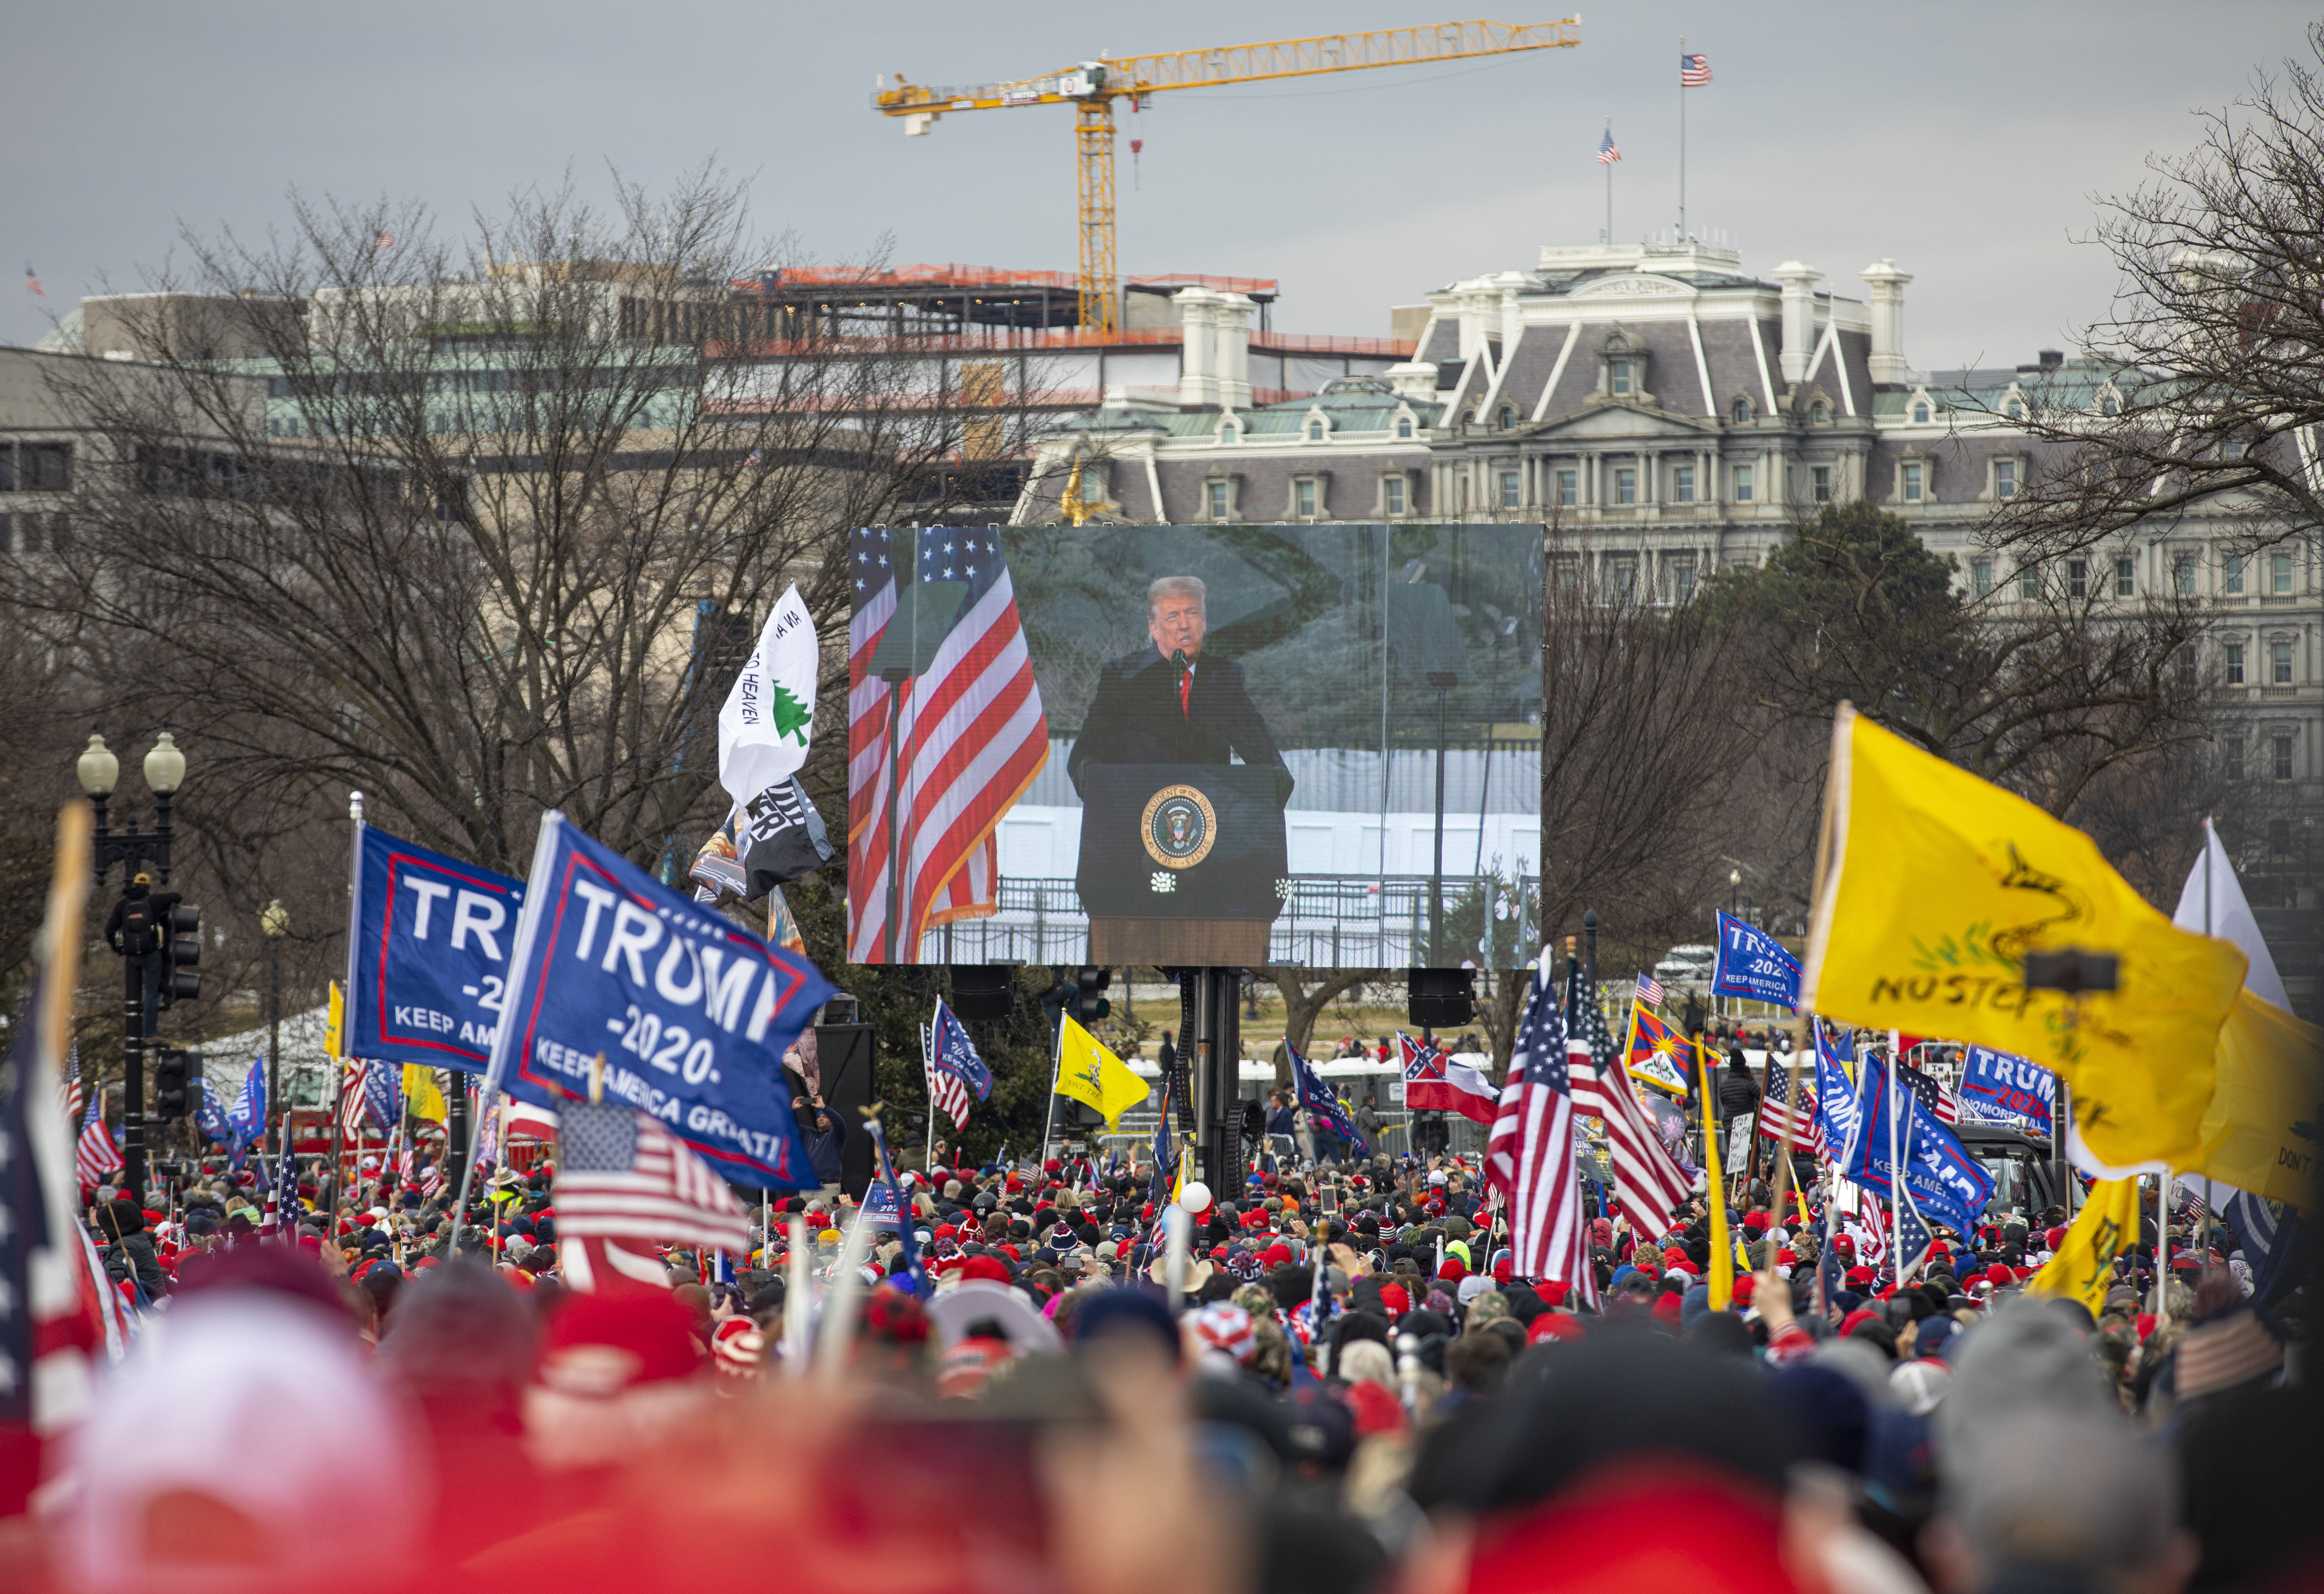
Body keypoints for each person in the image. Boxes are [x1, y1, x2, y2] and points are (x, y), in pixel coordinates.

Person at [1065, 575, 1291, 802]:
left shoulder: (1224, 680)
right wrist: (1112, 794)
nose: (1184, 625)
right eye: (1173, 617)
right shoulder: (1123, 679)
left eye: (1192, 614)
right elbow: (1083, 759)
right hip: (1138, 817)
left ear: (1204, 623)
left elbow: (1266, 759)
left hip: (1205, 822)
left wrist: (1273, 784)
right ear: (1154, 629)